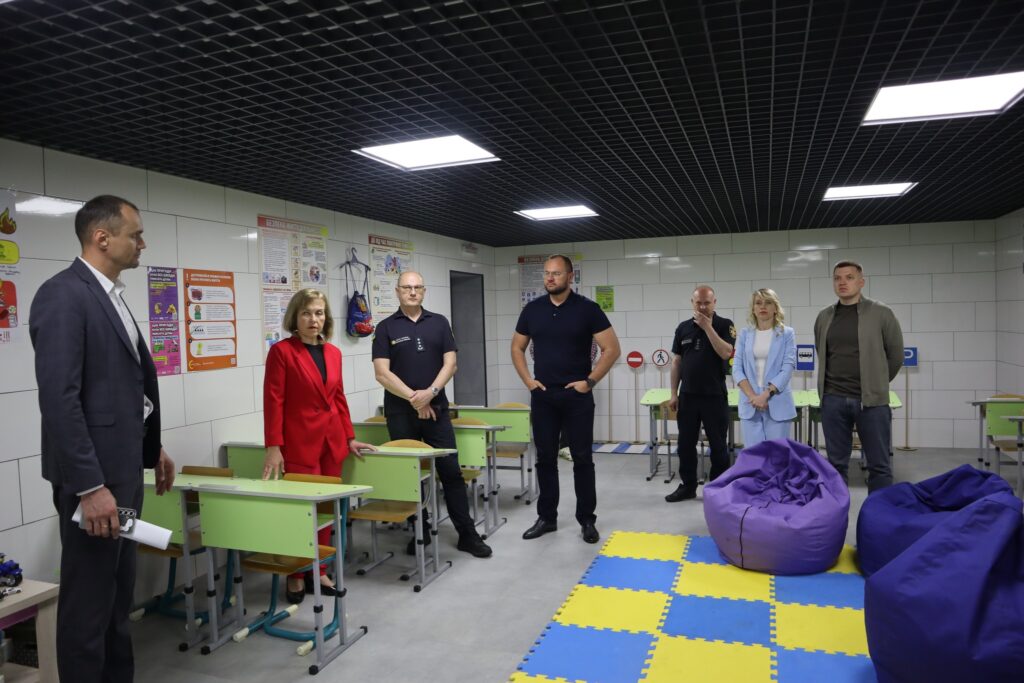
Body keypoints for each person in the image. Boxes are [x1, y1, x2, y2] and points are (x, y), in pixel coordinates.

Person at [30, 195, 176, 683]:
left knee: (116, 597)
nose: (142, 243)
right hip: (94, 485)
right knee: (88, 604)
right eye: (136, 234)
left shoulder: (111, 296)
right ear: (102, 237)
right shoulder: (63, 295)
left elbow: (118, 389)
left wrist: (151, 448)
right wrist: (90, 487)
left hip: (122, 473)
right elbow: (60, 400)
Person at [263, 288, 377, 603]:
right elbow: (273, 400)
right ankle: (296, 573)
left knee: (326, 510)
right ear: (295, 317)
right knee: (301, 512)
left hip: (331, 442)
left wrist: (349, 437)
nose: (313, 319)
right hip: (299, 443)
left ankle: (320, 569)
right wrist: (273, 446)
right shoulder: (282, 352)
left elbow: (338, 398)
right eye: (306, 313)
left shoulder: (334, 353)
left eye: (319, 313)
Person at [372, 271, 492, 558]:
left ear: (424, 291)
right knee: (410, 475)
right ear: (398, 291)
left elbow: (451, 364)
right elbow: (382, 373)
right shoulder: (385, 327)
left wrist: (430, 393)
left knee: (451, 472)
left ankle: (467, 534)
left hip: (437, 410)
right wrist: (415, 399)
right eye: (406, 287)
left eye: (417, 287)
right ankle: (420, 531)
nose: (412, 292)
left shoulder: (439, 322)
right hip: (400, 413)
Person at [512, 255, 621, 544]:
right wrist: (528, 381)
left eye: (556, 273)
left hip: (577, 396)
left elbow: (612, 349)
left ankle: (587, 520)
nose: (550, 278)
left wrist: (589, 382)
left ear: (570, 276)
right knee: (545, 458)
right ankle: (547, 518)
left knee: (582, 458)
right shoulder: (532, 310)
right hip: (544, 396)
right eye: (547, 273)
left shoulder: (588, 309)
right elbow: (517, 347)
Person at [814, 261, 903, 491]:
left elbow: (896, 356)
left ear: (861, 282)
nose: (842, 282)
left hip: (871, 403)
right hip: (833, 399)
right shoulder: (824, 316)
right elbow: (822, 352)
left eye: (849, 277)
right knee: (835, 466)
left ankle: (879, 513)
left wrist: (877, 383)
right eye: (837, 278)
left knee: (879, 466)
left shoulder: (881, 313)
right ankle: (837, 512)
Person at [665, 285, 736, 502]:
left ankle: (717, 489)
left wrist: (707, 327)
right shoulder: (683, 328)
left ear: (715, 302)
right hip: (688, 396)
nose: (703, 307)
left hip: (714, 396)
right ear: (692, 303)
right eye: (699, 303)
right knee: (685, 445)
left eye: (707, 302)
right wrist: (674, 393)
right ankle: (688, 486)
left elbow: (726, 352)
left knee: (718, 445)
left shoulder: (725, 324)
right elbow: (677, 362)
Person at [732, 288, 797, 446]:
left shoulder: (787, 333)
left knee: (777, 456)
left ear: (775, 308)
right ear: (753, 309)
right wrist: (753, 397)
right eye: (758, 303)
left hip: (777, 401)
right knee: (754, 456)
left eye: (768, 303)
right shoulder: (745, 334)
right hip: (750, 403)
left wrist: (765, 395)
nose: (763, 306)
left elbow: (787, 368)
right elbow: (737, 369)